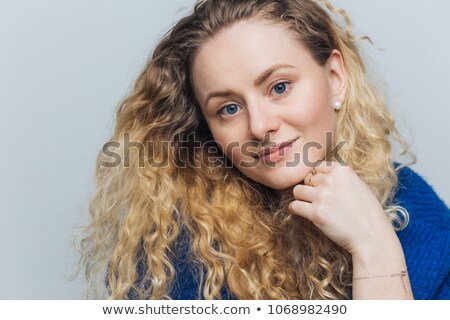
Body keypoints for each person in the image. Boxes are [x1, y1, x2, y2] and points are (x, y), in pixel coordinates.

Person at [78, 0, 450, 300]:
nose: (259, 126)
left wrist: (375, 246)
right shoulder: (181, 258)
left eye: (279, 87)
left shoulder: (420, 213)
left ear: (335, 78)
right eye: (229, 108)